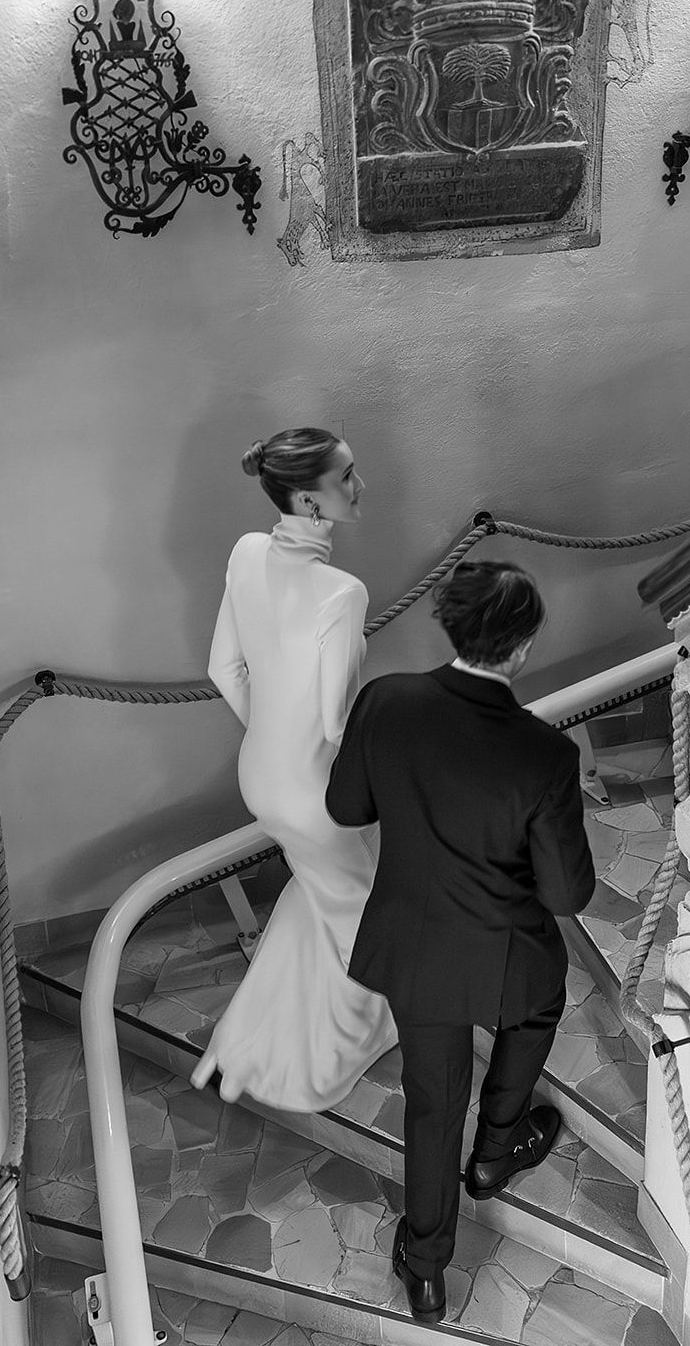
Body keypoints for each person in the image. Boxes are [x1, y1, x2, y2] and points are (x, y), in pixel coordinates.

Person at [326, 561, 596, 1322]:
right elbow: (567, 895)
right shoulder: (543, 754)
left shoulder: (386, 700)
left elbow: (347, 806)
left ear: (448, 624)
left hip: (416, 944)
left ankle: (426, 1270)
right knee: (539, 1005)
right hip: (506, 948)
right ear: (523, 646)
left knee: (430, 1104)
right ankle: (494, 1154)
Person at [190, 428, 396, 1112]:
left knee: (319, 896)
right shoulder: (343, 593)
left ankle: (254, 1036)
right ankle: (332, 1053)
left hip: (262, 777)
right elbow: (339, 726)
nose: (359, 486)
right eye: (347, 478)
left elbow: (223, 668)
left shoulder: (246, 552)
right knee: (362, 917)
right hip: (315, 793)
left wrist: (276, 740)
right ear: (308, 498)